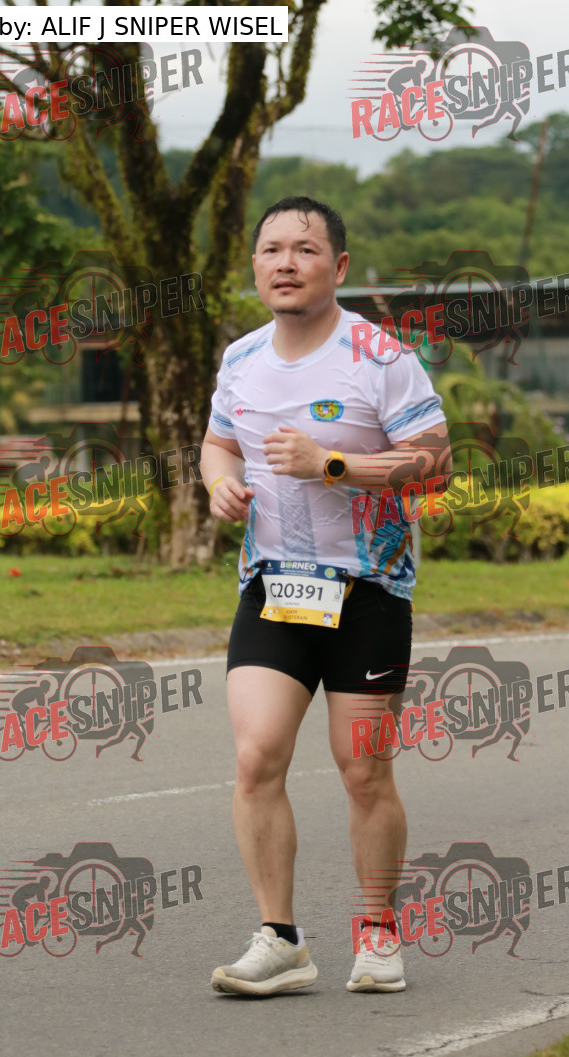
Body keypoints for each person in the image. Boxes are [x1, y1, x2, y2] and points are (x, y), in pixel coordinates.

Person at [201, 196, 451, 996]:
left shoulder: (380, 357)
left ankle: (378, 932)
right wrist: (219, 483)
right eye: (271, 249)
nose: (286, 263)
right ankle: (280, 940)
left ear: (337, 266)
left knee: (363, 770)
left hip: (367, 592)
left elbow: (435, 462)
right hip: (272, 589)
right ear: (254, 266)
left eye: (304, 249)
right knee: (255, 758)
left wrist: (332, 466)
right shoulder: (242, 359)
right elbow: (217, 442)